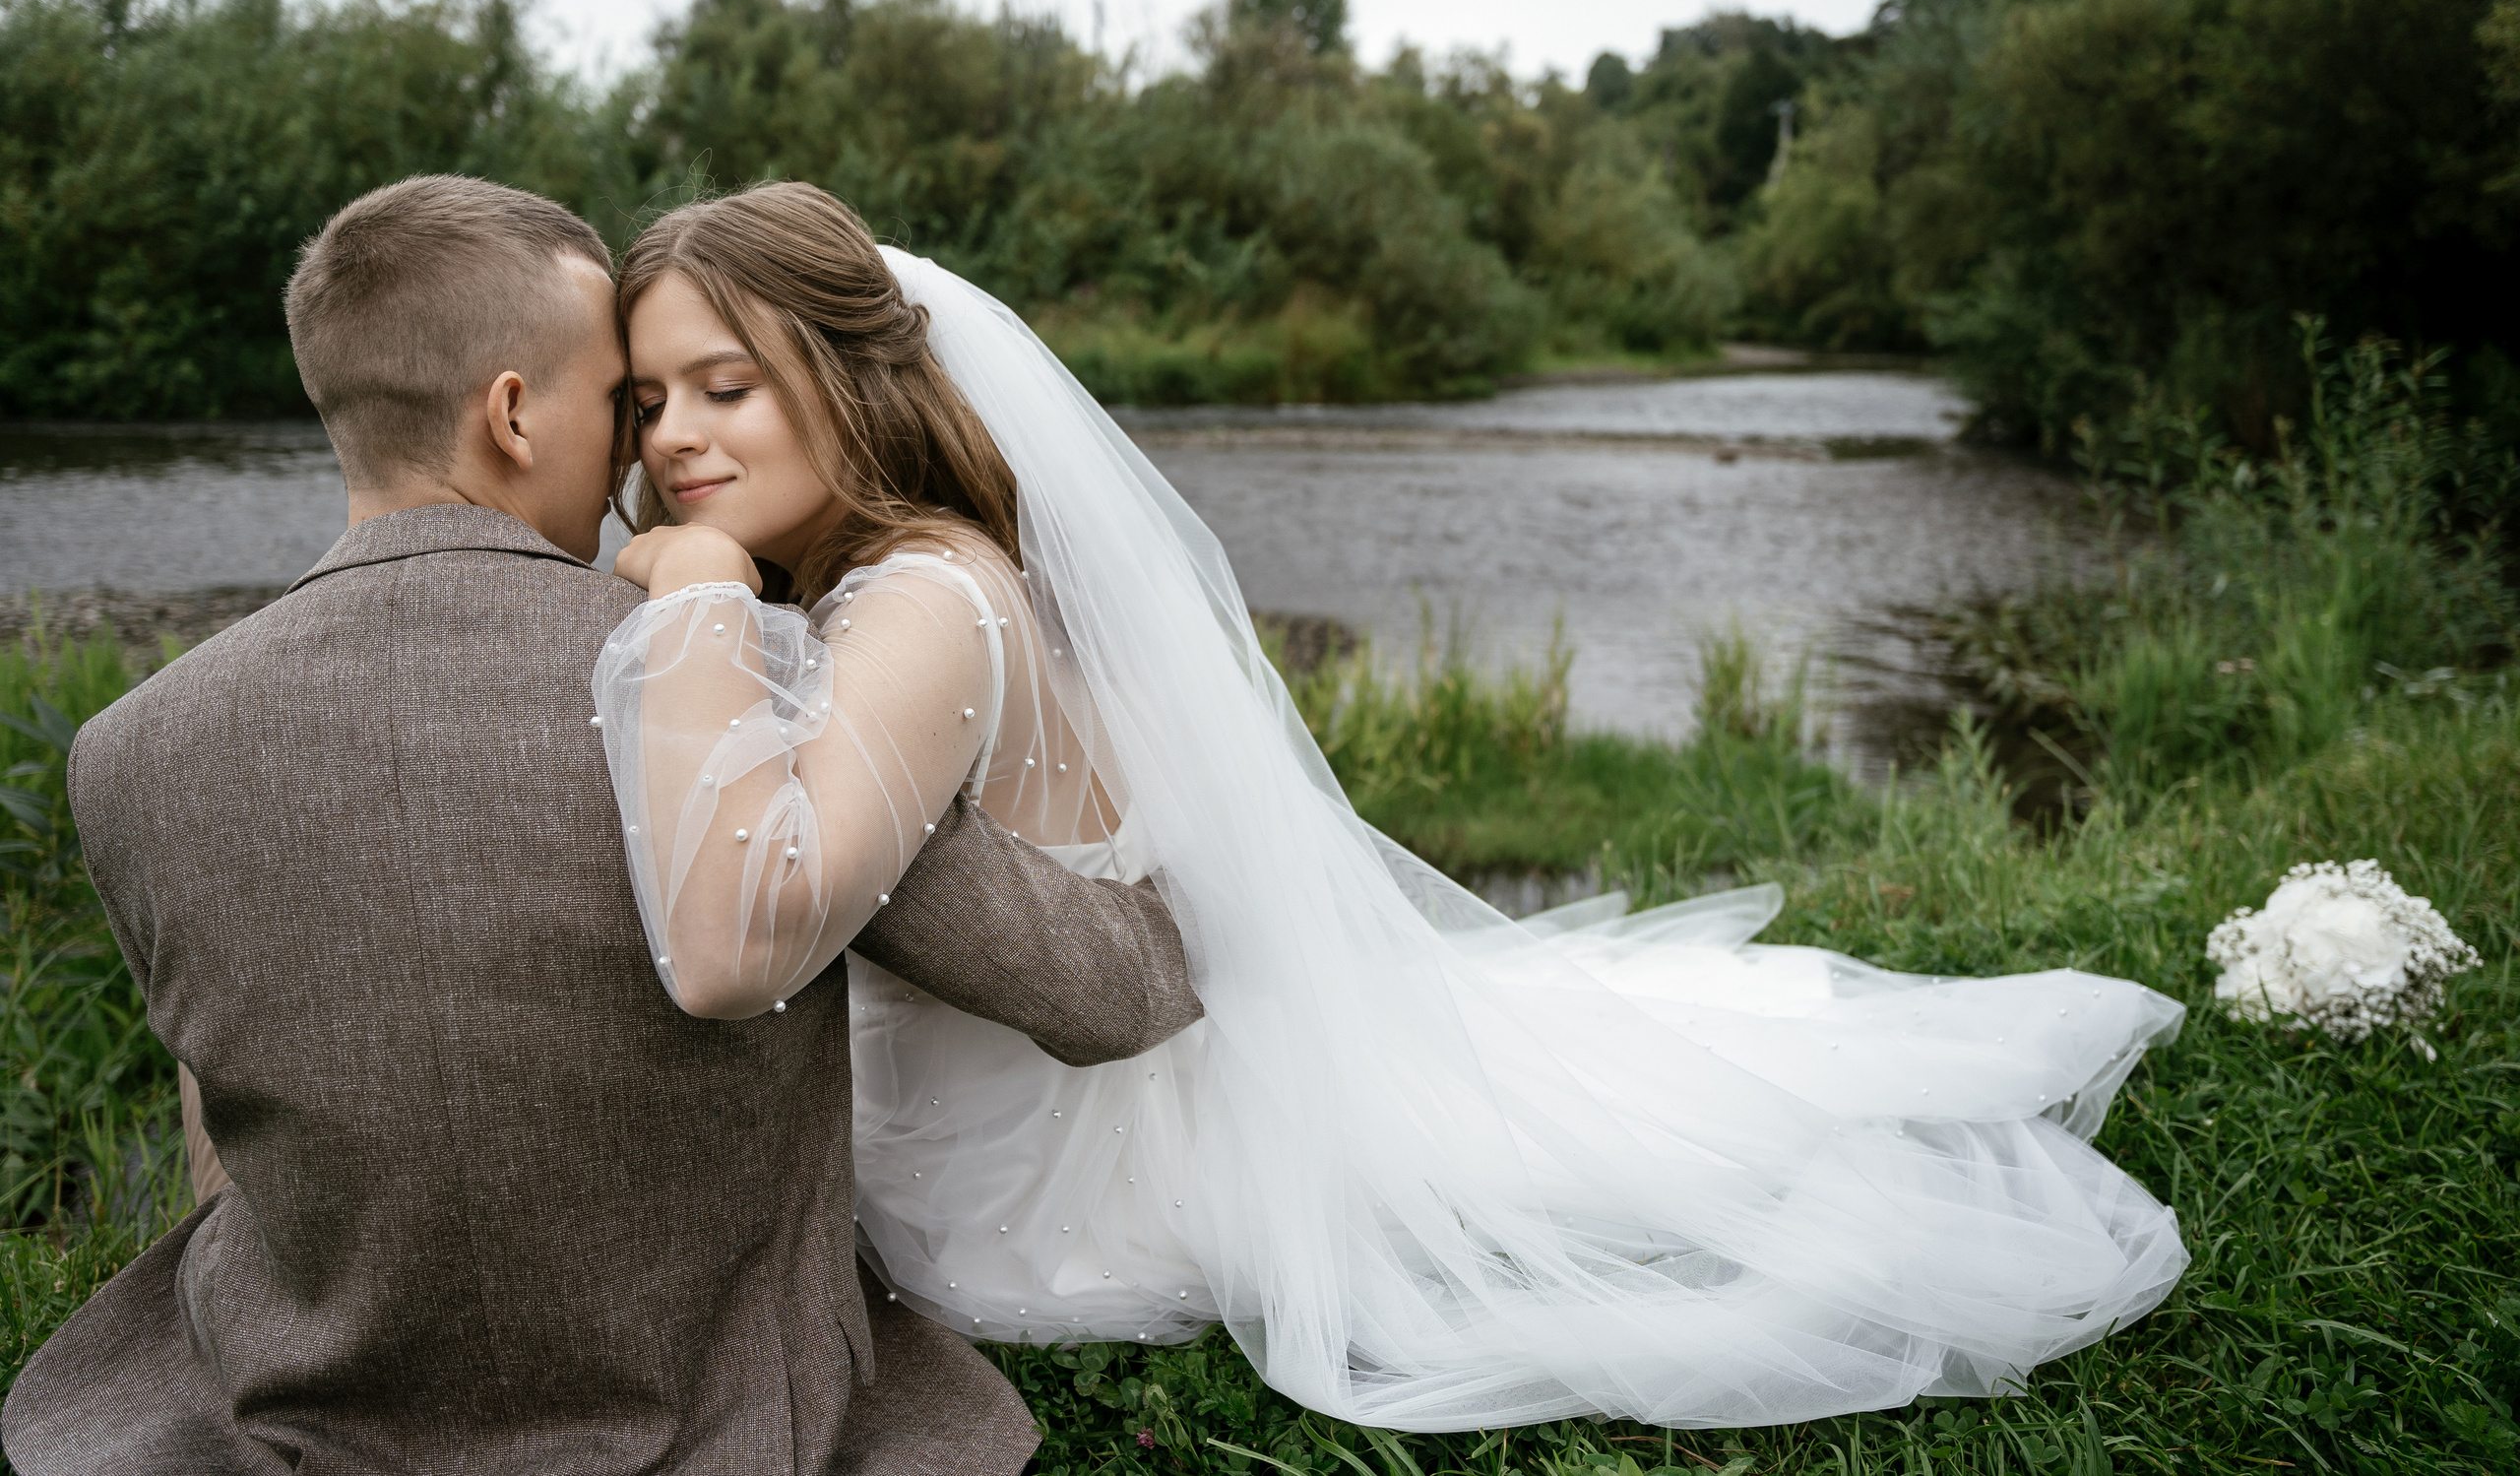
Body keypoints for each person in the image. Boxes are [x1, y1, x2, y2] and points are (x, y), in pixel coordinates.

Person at [600, 180, 2191, 1434]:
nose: (674, 440)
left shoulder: (919, 602)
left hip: (1032, 1195)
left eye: (724, 387)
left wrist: (690, 590)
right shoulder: (919, 567)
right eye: (650, 399)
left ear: (852, 376)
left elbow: (763, 911)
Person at [1, 175, 1203, 1476]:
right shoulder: (732, 689)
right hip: (722, 1412)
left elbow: (220, 1113)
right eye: (624, 402)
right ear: (515, 413)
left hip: (298, 1404)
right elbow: (1102, 986)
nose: (648, 454)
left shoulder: (132, 748)